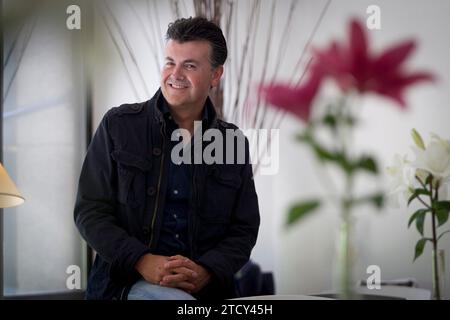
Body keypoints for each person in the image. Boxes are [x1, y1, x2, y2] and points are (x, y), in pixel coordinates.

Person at [74, 16, 260, 300]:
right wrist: (143, 261)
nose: (175, 74)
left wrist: (206, 270)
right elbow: (90, 211)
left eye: (190, 65)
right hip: (125, 285)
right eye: (170, 62)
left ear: (215, 75)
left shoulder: (232, 142)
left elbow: (244, 229)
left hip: (206, 290)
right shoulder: (118, 125)